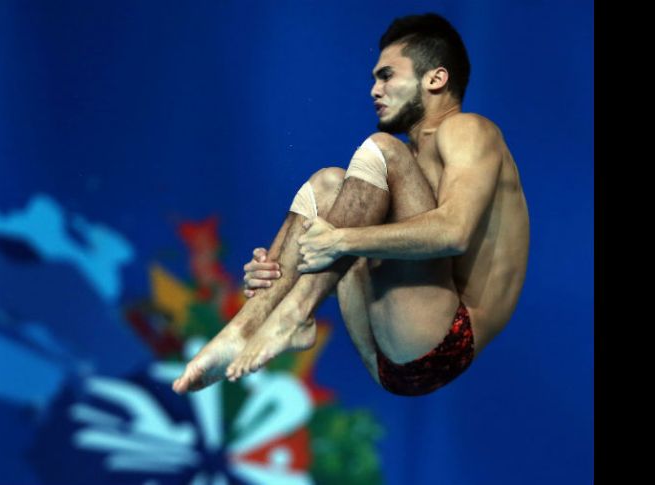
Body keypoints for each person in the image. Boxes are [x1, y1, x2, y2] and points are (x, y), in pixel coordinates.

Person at [172, 12, 529, 396]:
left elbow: (455, 232)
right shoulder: (408, 169)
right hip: (387, 360)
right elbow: (352, 229)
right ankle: (247, 326)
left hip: (447, 342)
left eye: (387, 75)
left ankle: (293, 315)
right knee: (329, 184)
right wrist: (278, 268)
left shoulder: (470, 130)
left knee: (381, 151)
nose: (374, 90)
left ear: (435, 79)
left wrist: (340, 241)